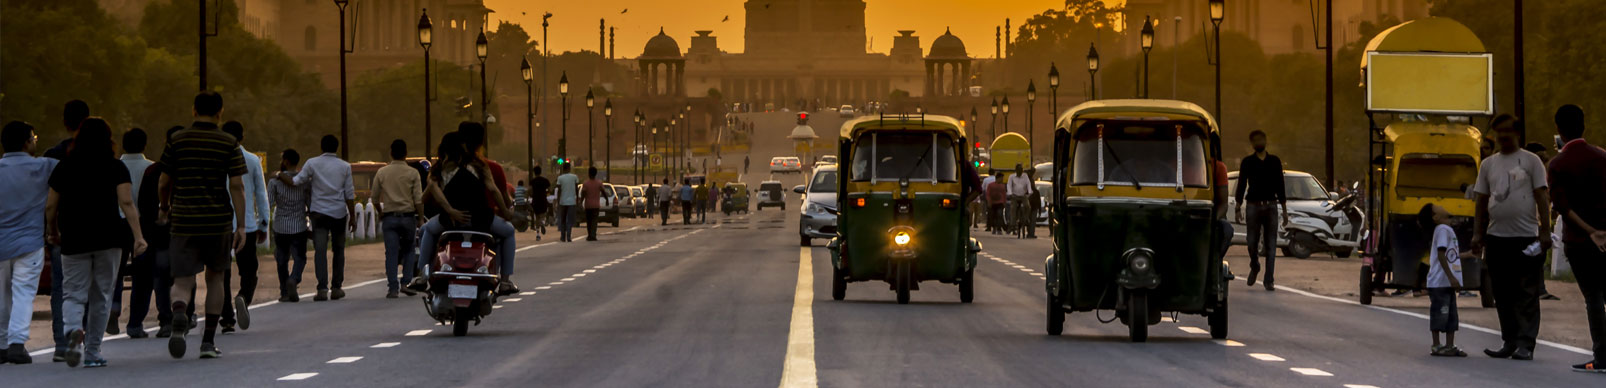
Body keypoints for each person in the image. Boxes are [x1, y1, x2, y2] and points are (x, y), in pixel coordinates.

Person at [46, 118, 146, 368]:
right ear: (108, 139)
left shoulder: (64, 167)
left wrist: (52, 231)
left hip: (74, 237)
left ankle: (72, 331)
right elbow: (126, 203)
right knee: (101, 294)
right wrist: (138, 236)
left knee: (73, 293)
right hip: (109, 238)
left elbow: (50, 205)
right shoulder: (115, 167)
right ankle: (92, 351)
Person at [158, 91, 248, 359]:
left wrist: (165, 207)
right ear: (220, 112)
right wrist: (241, 225)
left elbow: (163, 182)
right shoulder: (228, 142)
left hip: (184, 220)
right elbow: (237, 186)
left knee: (183, 280)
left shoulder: (177, 140)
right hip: (217, 221)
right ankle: (208, 342)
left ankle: (178, 313)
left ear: (194, 110)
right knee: (216, 278)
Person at [1471, 115, 1550, 361]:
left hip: (1526, 237)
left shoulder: (1531, 161)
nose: (1502, 136)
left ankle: (1526, 343)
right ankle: (1509, 341)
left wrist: (1545, 231)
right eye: (1498, 132)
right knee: (1502, 293)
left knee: (1526, 292)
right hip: (1496, 237)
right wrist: (1477, 234)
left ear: (1516, 133)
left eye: (1507, 131)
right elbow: (1481, 201)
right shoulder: (1488, 164)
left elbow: (1541, 197)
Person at [408, 130, 515, 294]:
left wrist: (451, 211)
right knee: (508, 232)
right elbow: (493, 190)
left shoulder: (439, 169)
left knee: (426, 230)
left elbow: (433, 190)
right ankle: (506, 280)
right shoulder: (479, 166)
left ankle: (423, 275)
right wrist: (506, 214)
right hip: (482, 220)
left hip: (450, 222)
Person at [1546, 104, 1606, 373]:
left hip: (1580, 241)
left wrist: (1590, 231)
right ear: (1584, 124)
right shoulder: (1602, 157)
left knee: (1593, 298)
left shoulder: (1558, 164)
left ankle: (1602, 354)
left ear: (1559, 128)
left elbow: (1562, 206)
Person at [0, 121, 58, 364]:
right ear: (27, 142)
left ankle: (2, 344)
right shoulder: (45, 167)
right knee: (23, 293)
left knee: (2, 295)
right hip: (30, 242)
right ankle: (16, 343)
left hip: (1, 243)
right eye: (33, 136)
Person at [276, 135, 355, 302]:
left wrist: (278, 174)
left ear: (321, 147)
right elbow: (349, 194)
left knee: (320, 251)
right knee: (338, 250)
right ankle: (336, 287)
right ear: (337, 148)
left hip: (319, 213)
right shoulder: (345, 166)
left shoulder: (312, 163)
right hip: (339, 213)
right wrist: (353, 216)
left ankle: (322, 289)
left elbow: (295, 182)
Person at [45, 99, 89, 362]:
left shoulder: (52, 155)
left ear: (65, 121)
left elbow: (48, 199)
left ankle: (62, 342)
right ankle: (87, 339)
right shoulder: (102, 152)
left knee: (62, 288)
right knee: (94, 287)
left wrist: (50, 229)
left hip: (63, 229)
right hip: (96, 229)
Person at [218, 121, 268, 333]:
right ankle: (243, 297)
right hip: (245, 225)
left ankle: (227, 318)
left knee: (222, 273)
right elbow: (260, 192)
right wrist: (264, 222)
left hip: (220, 224)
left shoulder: (216, 158)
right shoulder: (252, 160)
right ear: (242, 137)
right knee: (249, 270)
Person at [113, 129, 155, 337]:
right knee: (143, 276)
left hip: (115, 223)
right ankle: (135, 323)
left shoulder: (112, 167)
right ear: (144, 145)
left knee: (114, 271)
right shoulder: (151, 167)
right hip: (143, 226)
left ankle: (113, 305)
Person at [1234, 130, 1288, 291]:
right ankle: (1255, 264)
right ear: (1252, 144)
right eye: (1255, 140)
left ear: (1265, 140)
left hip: (1271, 205)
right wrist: (1238, 207)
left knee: (1271, 244)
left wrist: (1284, 210)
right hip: (1253, 205)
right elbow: (1242, 184)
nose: (1259, 142)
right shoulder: (1247, 162)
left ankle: (1269, 279)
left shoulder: (1274, 161)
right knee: (1251, 242)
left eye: (1261, 139)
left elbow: (1280, 185)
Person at [372, 140, 423, 299]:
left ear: (391, 153)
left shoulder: (382, 172)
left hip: (390, 218)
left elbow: (374, 198)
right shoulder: (413, 173)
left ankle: (392, 288)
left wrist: (381, 211)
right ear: (406, 153)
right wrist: (420, 218)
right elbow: (418, 200)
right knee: (409, 251)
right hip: (408, 217)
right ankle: (405, 283)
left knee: (391, 253)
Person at [1422, 203, 1472, 357]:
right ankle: (1436, 345)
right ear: (1435, 217)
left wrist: (1469, 254)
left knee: (1451, 315)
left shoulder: (1445, 230)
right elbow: (1441, 254)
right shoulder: (1443, 229)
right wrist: (1451, 278)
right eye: (1437, 207)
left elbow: (1451, 255)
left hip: (1446, 282)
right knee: (1440, 312)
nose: (1442, 205)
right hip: (1440, 281)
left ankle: (1449, 345)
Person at [267, 150, 310, 302]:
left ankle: (284, 292)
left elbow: (269, 203)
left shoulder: (274, 182)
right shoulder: (304, 182)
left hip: (280, 226)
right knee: (300, 258)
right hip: (299, 225)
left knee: (281, 259)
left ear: (285, 161)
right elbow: (309, 204)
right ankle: (294, 278)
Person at [556, 163, 579, 242]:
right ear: (569, 168)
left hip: (563, 201)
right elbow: (576, 188)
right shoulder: (574, 177)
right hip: (572, 201)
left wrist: (558, 201)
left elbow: (559, 190)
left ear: (563, 169)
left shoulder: (560, 178)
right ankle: (569, 236)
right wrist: (577, 199)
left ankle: (563, 236)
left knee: (563, 220)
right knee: (570, 220)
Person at [1006, 164, 1031, 234]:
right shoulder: (1011, 177)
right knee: (1013, 209)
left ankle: (1026, 219)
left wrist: (1029, 193)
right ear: (1016, 170)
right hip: (1014, 196)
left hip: (1023, 196)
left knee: (1027, 206)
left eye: (1021, 170)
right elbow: (1009, 185)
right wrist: (1010, 194)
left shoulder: (1025, 176)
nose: (1020, 171)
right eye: (1019, 170)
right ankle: (1012, 224)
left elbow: (1028, 184)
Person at [529, 168, 551, 239]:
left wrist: (531, 195)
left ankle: (538, 234)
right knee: (542, 215)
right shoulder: (545, 181)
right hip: (543, 199)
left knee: (537, 216)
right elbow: (549, 189)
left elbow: (530, 191)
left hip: (535, 200)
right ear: (540, 172)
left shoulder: (532, 181)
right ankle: (542, 223)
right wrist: (546, 193)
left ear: (534, 172)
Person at [582, 167, 603, 241]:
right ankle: (593, 234)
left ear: (588, 173)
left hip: (588, 205)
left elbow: (583, 194)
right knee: (594, 221)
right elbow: (603, 191)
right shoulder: (599, 183)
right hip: (596, 205)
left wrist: (581, 201)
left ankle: (589, 235)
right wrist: (606, 199)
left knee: (589, 221)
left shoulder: (585, 183)